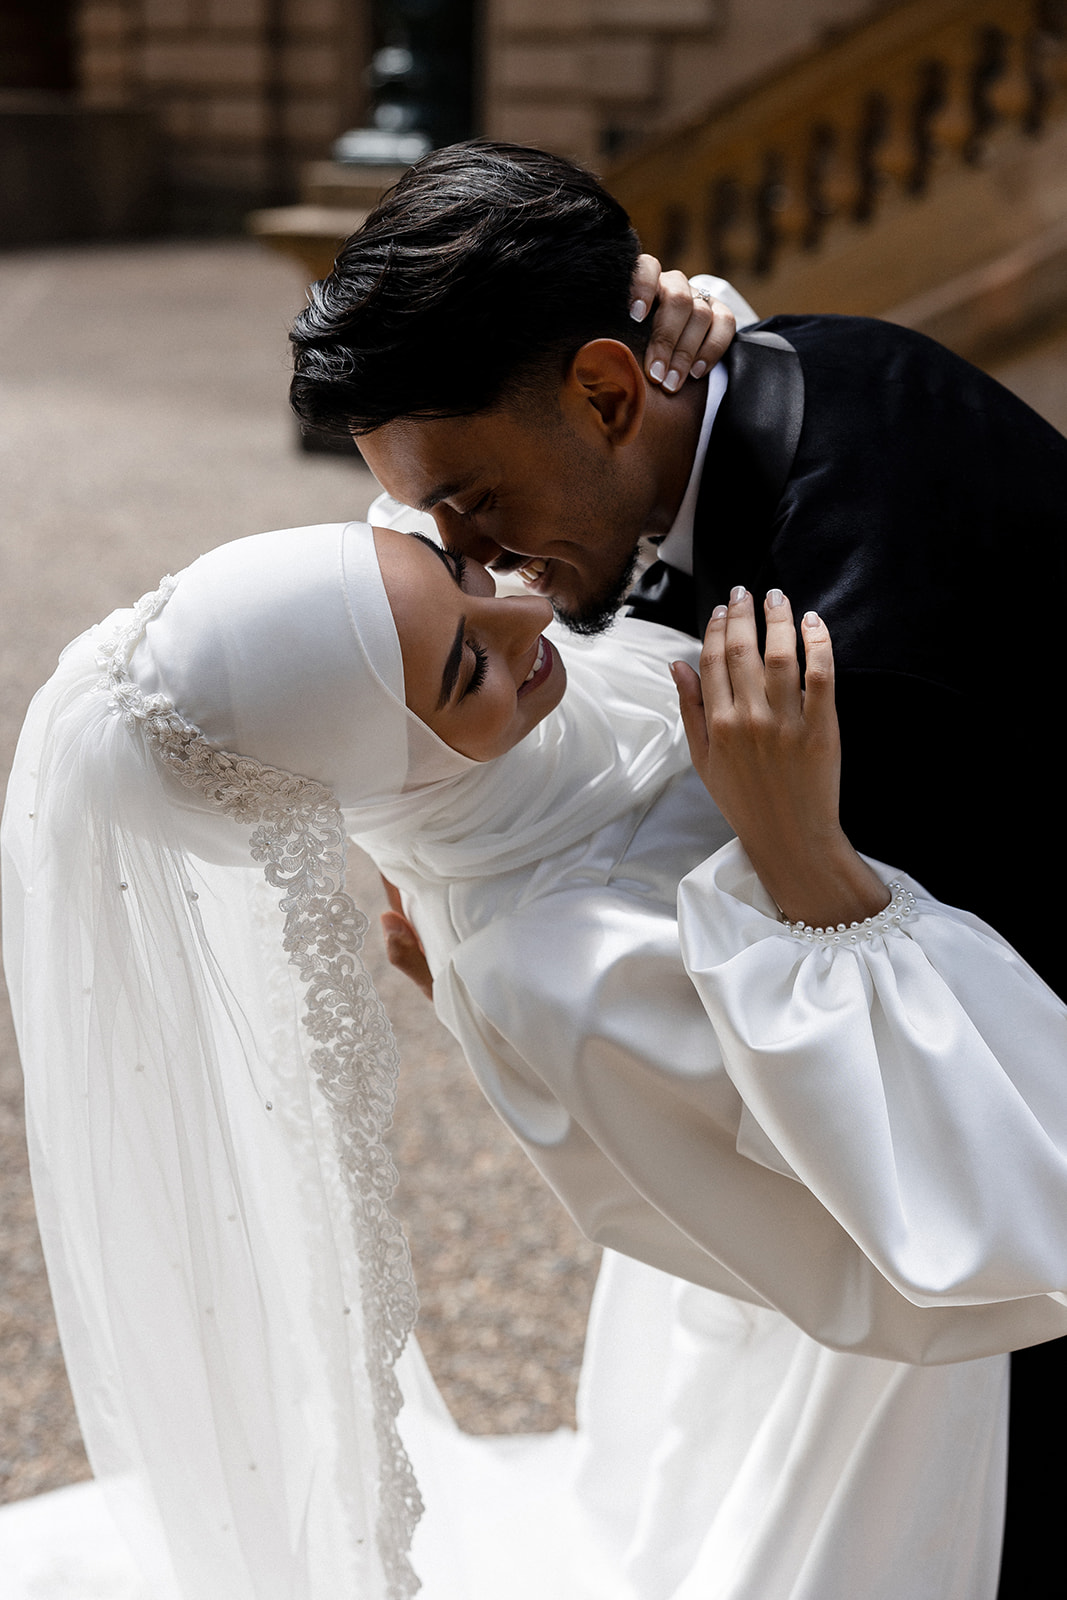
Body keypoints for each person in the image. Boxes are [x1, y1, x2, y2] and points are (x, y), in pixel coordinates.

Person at [6, 519, 1067, 1599]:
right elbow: (936, 1200)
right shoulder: (558, 965)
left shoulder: (480, 736)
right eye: (468, 666)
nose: (525, 612)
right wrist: (803, 859)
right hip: (879, 1268)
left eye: (460, 569)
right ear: (386, 763)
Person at [287, 139, 1067, 1594]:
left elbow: (938, 1095)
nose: (474, 564)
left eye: (472, 504)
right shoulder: (789, 366)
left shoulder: (851, 668)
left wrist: (791, 864)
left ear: (602, 392)